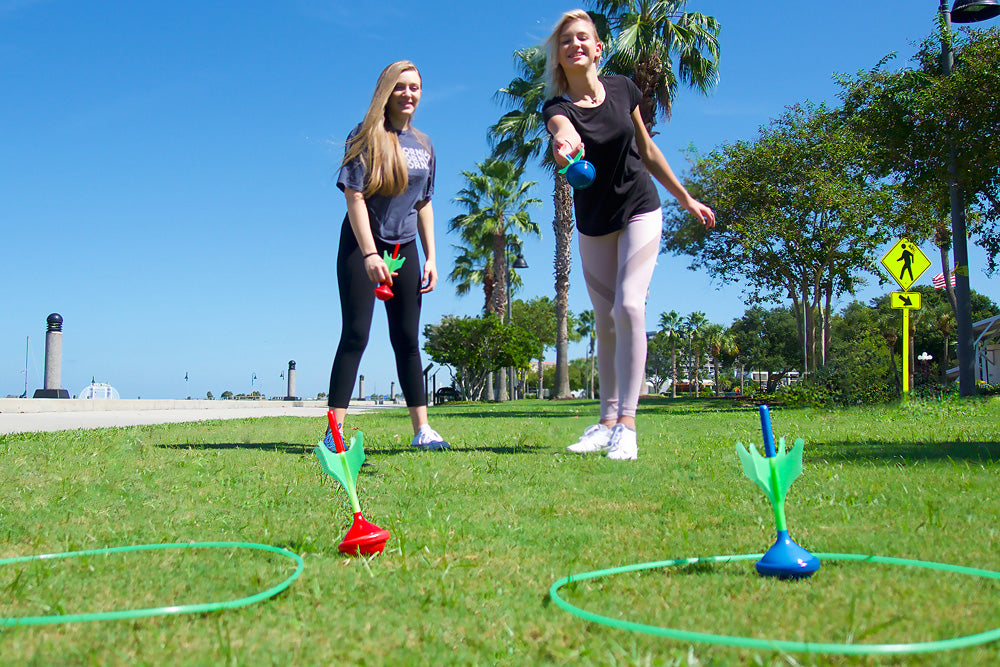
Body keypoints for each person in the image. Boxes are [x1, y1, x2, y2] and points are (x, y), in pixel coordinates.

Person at [542, 10, 716, 460]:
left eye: (584, 38)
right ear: (559, 58)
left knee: (629, 305)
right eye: (566, 42)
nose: (575, 45)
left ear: (599, 48)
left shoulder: (622, 88)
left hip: (640, 206)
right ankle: (604, 421)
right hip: (594, 220)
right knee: (605, 320)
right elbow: (561, 133)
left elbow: (647, 148)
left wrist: (685, 198)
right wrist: (565, 145)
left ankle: (628, 426)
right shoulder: (557, 110)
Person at [327, 60, 450, 450]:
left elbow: (425, 203)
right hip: (362, 246)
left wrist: (432, 256)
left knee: (407, 340)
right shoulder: (365, 136)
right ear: (386, 91)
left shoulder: (425, 144)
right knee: (356, 335)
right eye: (401, 87)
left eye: (415, 87)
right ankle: (334, 433)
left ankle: (422, 430)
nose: (409, 94)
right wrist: (368, 254)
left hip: (405, 247)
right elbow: (354, 195)